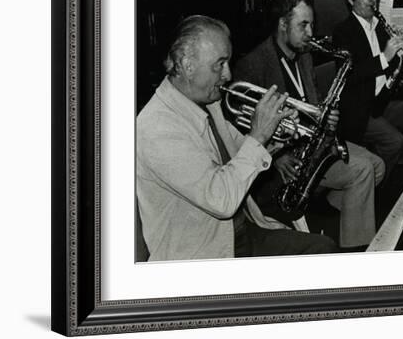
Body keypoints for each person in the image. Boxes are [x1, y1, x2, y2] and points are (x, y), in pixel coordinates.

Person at [136, 15, 337, 261]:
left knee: (323, 248)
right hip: (203, 253)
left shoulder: (206, 103)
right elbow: (221, 200)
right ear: (187, 65)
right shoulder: (158, 127)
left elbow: (241, 152)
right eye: (219, 64)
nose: (228, 74)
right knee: (321, 254)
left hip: (240, 231)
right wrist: (258, 134)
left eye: (228, 62)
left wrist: (276, 135)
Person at [234, 0, 385, 250]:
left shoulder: (303, 55)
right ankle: (356, 250)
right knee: (362, 171)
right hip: (286, 158)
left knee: (378, 165)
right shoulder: (254, 64)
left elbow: (310, 103)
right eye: (303, 25)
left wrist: (325, 115)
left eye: (312, 25)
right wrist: (277, 157)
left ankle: (326, 207)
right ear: (283, 25)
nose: (310, 32)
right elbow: (238, 127)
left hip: (313, 144)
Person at [332, 0, 403, 179]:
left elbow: (389, 69)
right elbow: (351, 74)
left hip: (382, 102)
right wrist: (385, 56)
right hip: (359, 110)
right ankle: (373, 182)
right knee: (395, 141)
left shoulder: (379, 27)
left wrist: (400, 52)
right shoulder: (343, 32)